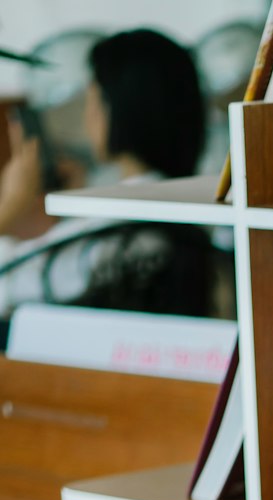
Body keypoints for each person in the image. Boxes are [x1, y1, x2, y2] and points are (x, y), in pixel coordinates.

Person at [0, 29, 214, 318]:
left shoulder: (114, 227)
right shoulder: (195, 212)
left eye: (92, 99)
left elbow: (10, 288)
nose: (89, 115)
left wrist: (9, 208)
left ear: (116, 108)